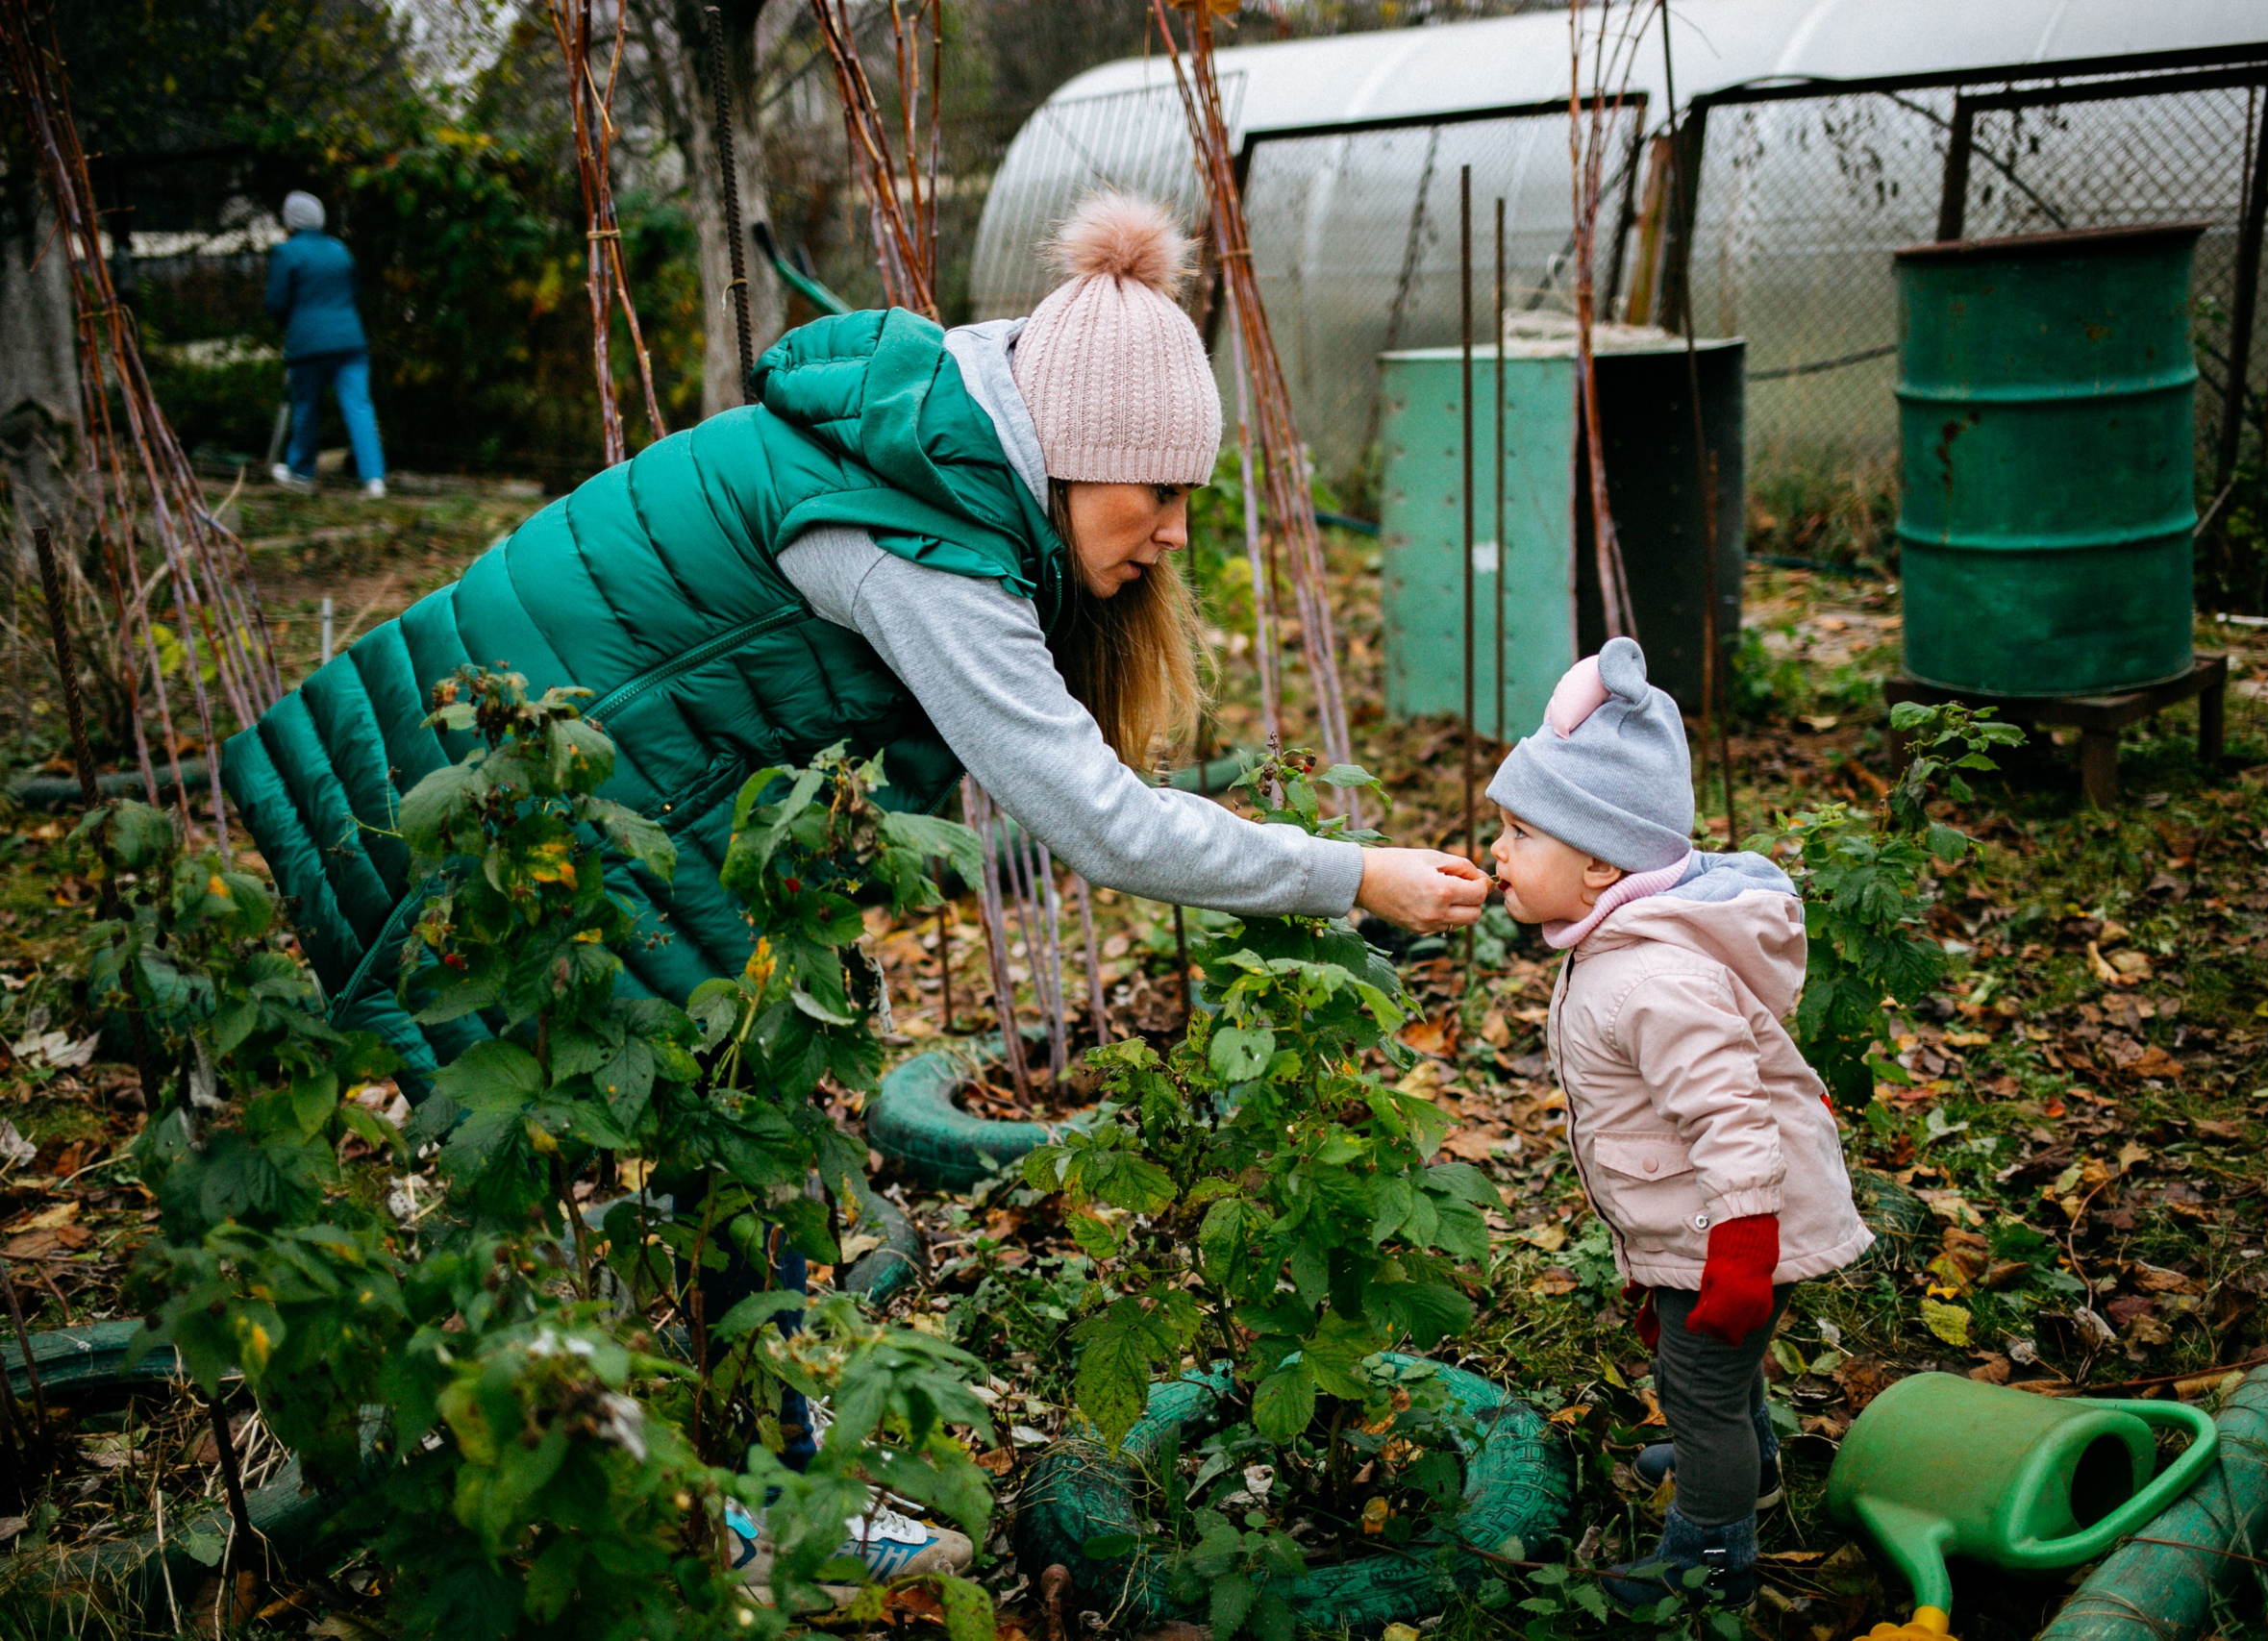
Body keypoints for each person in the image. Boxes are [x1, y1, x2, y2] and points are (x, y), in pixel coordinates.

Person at [226, 186, 1487, 1091]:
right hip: (550, 741)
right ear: (1068, 454)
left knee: (638, 1090)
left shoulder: (936, 446)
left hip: (564, 724)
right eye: (1155, 492)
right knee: (576, 1077)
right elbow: (1098, 821)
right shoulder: (922, 549)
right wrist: (1352, 874)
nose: (1173, 533)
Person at [1484, 638, 1872, 1611]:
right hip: (1698, 1220)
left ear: (1598, 861)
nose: (1496, 851)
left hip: (1735, 1226)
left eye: (1519, 832)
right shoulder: (1621, 940)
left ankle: (1708, 1558)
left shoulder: (1655, 976)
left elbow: (1730, 1119)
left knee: (1698, 1396)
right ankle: (1755, 1462)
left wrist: (1738, 1257)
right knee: (1715, 1379)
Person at [264, 189, 386, 498]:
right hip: (350, 341)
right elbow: (354, 293)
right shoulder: (340, 250)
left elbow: (276, 303)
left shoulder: (286, 253)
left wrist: (287, 325)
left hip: (308, 345)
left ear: (291, 221)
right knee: (359, 407)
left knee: (306, 407)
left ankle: (300, 473)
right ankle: (374, 478)